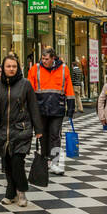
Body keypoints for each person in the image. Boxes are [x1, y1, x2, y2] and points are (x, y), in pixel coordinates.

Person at [0, 53, 42, 208]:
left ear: (18, 68)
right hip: (3, 131)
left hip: (21, 130)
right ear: (3, 68)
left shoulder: (25, 84)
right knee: (7, 163)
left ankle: (22, 192)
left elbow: (33, 107)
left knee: (17, 162)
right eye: (8, 66)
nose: (11, 69)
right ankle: (10, 193)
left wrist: (38, 129)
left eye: (14, 66)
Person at [26, 47, 74, 175]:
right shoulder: (35, 69)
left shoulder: (64, 69)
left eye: (47, 59)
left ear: (53, 58)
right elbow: (29, 88)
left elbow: (69, 88)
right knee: (43, 136)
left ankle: (55, 163)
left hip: (57, 108)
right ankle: (46, 159)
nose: (44, 61)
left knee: (55, 135)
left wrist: (71, 107)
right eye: (43, 58)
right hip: (40, 108)